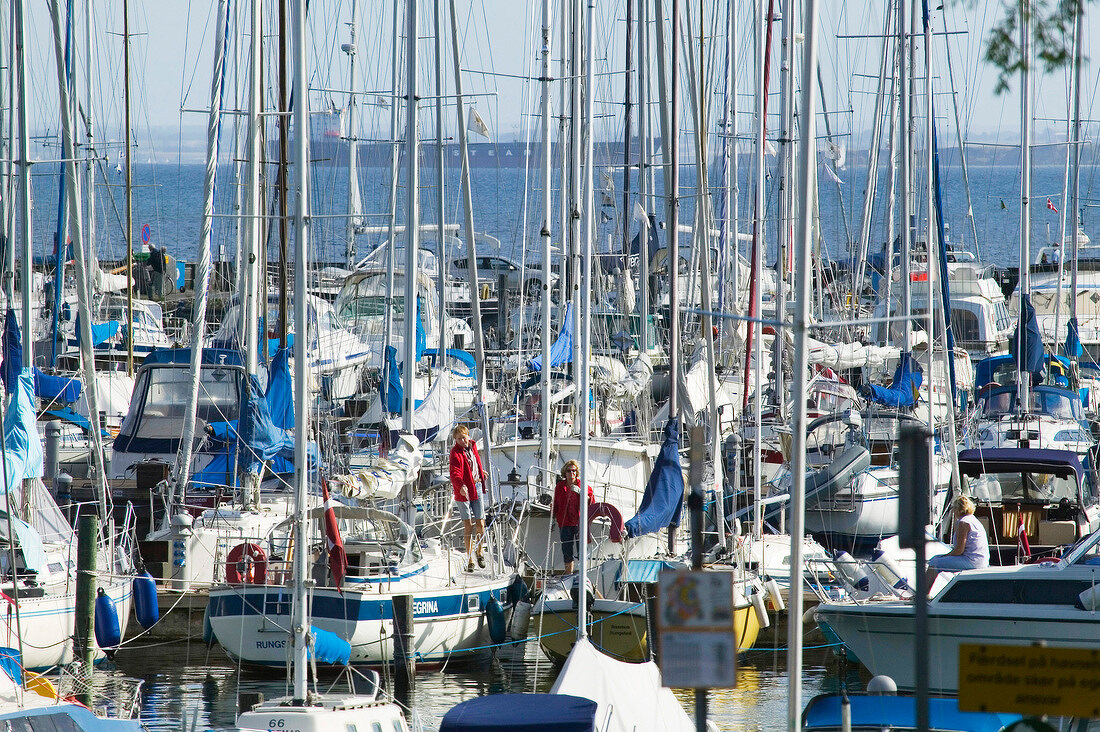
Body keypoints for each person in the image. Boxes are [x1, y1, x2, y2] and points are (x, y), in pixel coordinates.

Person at [926, 495, 989, 589]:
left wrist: (945, 556)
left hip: (971, 562)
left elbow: (959, 550)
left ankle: (923, 594)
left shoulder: (963, 523)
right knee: (935, 559)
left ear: (958, 510)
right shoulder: (973, 520)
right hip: (980, 561)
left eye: (954, 508)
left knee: (934, 563)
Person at [449, 425, 487, 572]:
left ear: (468, 435)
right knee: (468, 525)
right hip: (463, 492)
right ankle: (470, 558)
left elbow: (474, 464)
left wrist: (480, 473)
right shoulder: (455, 453)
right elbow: (455, 473)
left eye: (463, 438)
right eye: (458, 439)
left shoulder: (473, 446)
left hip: (476, 487)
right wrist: (461, 486)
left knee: (481, 523)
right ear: (455, 440)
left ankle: (479, 552)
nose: (462, 441)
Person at [553, 460, 594, 575]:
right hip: (565, 523)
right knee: (567, 552)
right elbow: (556, 503)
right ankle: (568, 576)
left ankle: (583, 575)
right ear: (564, 473)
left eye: (574, 470)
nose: (572, 473)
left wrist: (581, 493)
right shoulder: (560, 486)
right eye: (569, 471)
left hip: (580, 523)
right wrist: (553, 518)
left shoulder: (584, 486)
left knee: (582, 551)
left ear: (577, 472)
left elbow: (591, 501)